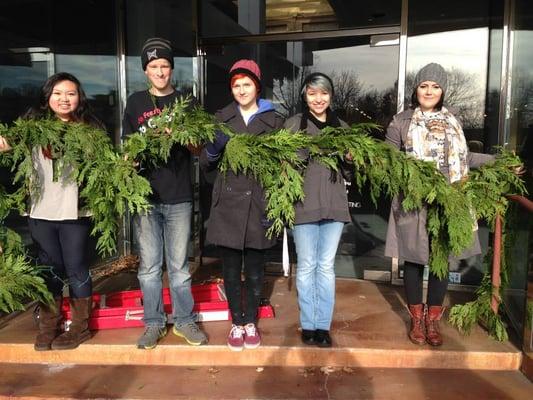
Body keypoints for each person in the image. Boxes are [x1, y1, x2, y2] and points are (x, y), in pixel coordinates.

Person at [384, 63, 494, 346]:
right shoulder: (401, 121)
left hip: (449, 200)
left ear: (443, 90)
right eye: (423, 86)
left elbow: (466, 159)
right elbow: (388, 159)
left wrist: (497, 162)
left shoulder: (453, 121)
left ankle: (433, 322)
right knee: (413, 259)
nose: (429, 91)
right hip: (414, 200)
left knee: (441, 260)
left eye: (435, 86)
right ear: (416, 90)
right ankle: (416, 319)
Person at [0, 72, 103, 351]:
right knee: (48, 270)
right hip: (41, 211)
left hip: (76, 213)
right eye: (58, 93)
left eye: (70, 93)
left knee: (77, 268)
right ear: (48, 97)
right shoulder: (32, 127)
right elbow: (10, 146)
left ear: (79, 97)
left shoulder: (90, 130)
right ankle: (49, 326)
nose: (64, 99)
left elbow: (103, 169)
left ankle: (79, 328)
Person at [122, 37, 207, 349]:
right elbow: (128, 146)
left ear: (172, 69)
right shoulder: (135, 103)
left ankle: (185, 321)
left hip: (179, 196)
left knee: (180, 267)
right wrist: (128, 160)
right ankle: (154, 323)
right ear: (146, 71)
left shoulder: (189, 103)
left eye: (165, 66)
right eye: (154, 66)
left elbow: (199, 148)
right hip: (145, 198)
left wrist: (180, 134)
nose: (160, 71)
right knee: (148, 267)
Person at [200, 59, 283, 351]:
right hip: (229, 208)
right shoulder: (220, 119)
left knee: (257, 270)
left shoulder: (274, 121)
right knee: (232, 270)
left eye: (247, 84)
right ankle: (237, 323)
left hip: (259, 204)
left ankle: (251, 322)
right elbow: (205, 166)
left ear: (257, 86)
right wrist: (212, 149)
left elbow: (282, 166)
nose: (242, 90)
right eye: (237, 85)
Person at [284, 72, 352, 348]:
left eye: (323, 93)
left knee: (325, 267)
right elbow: (283, 166)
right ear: (304, 96)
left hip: (334, 205)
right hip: (304, 207)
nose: (318, 99)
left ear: (331, 96)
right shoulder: (292, 126)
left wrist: (350, 159)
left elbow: (350, 170)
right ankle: (308, 324)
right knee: (307, 266)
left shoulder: (342, 128)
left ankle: (323, 325)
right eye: (312, 93)